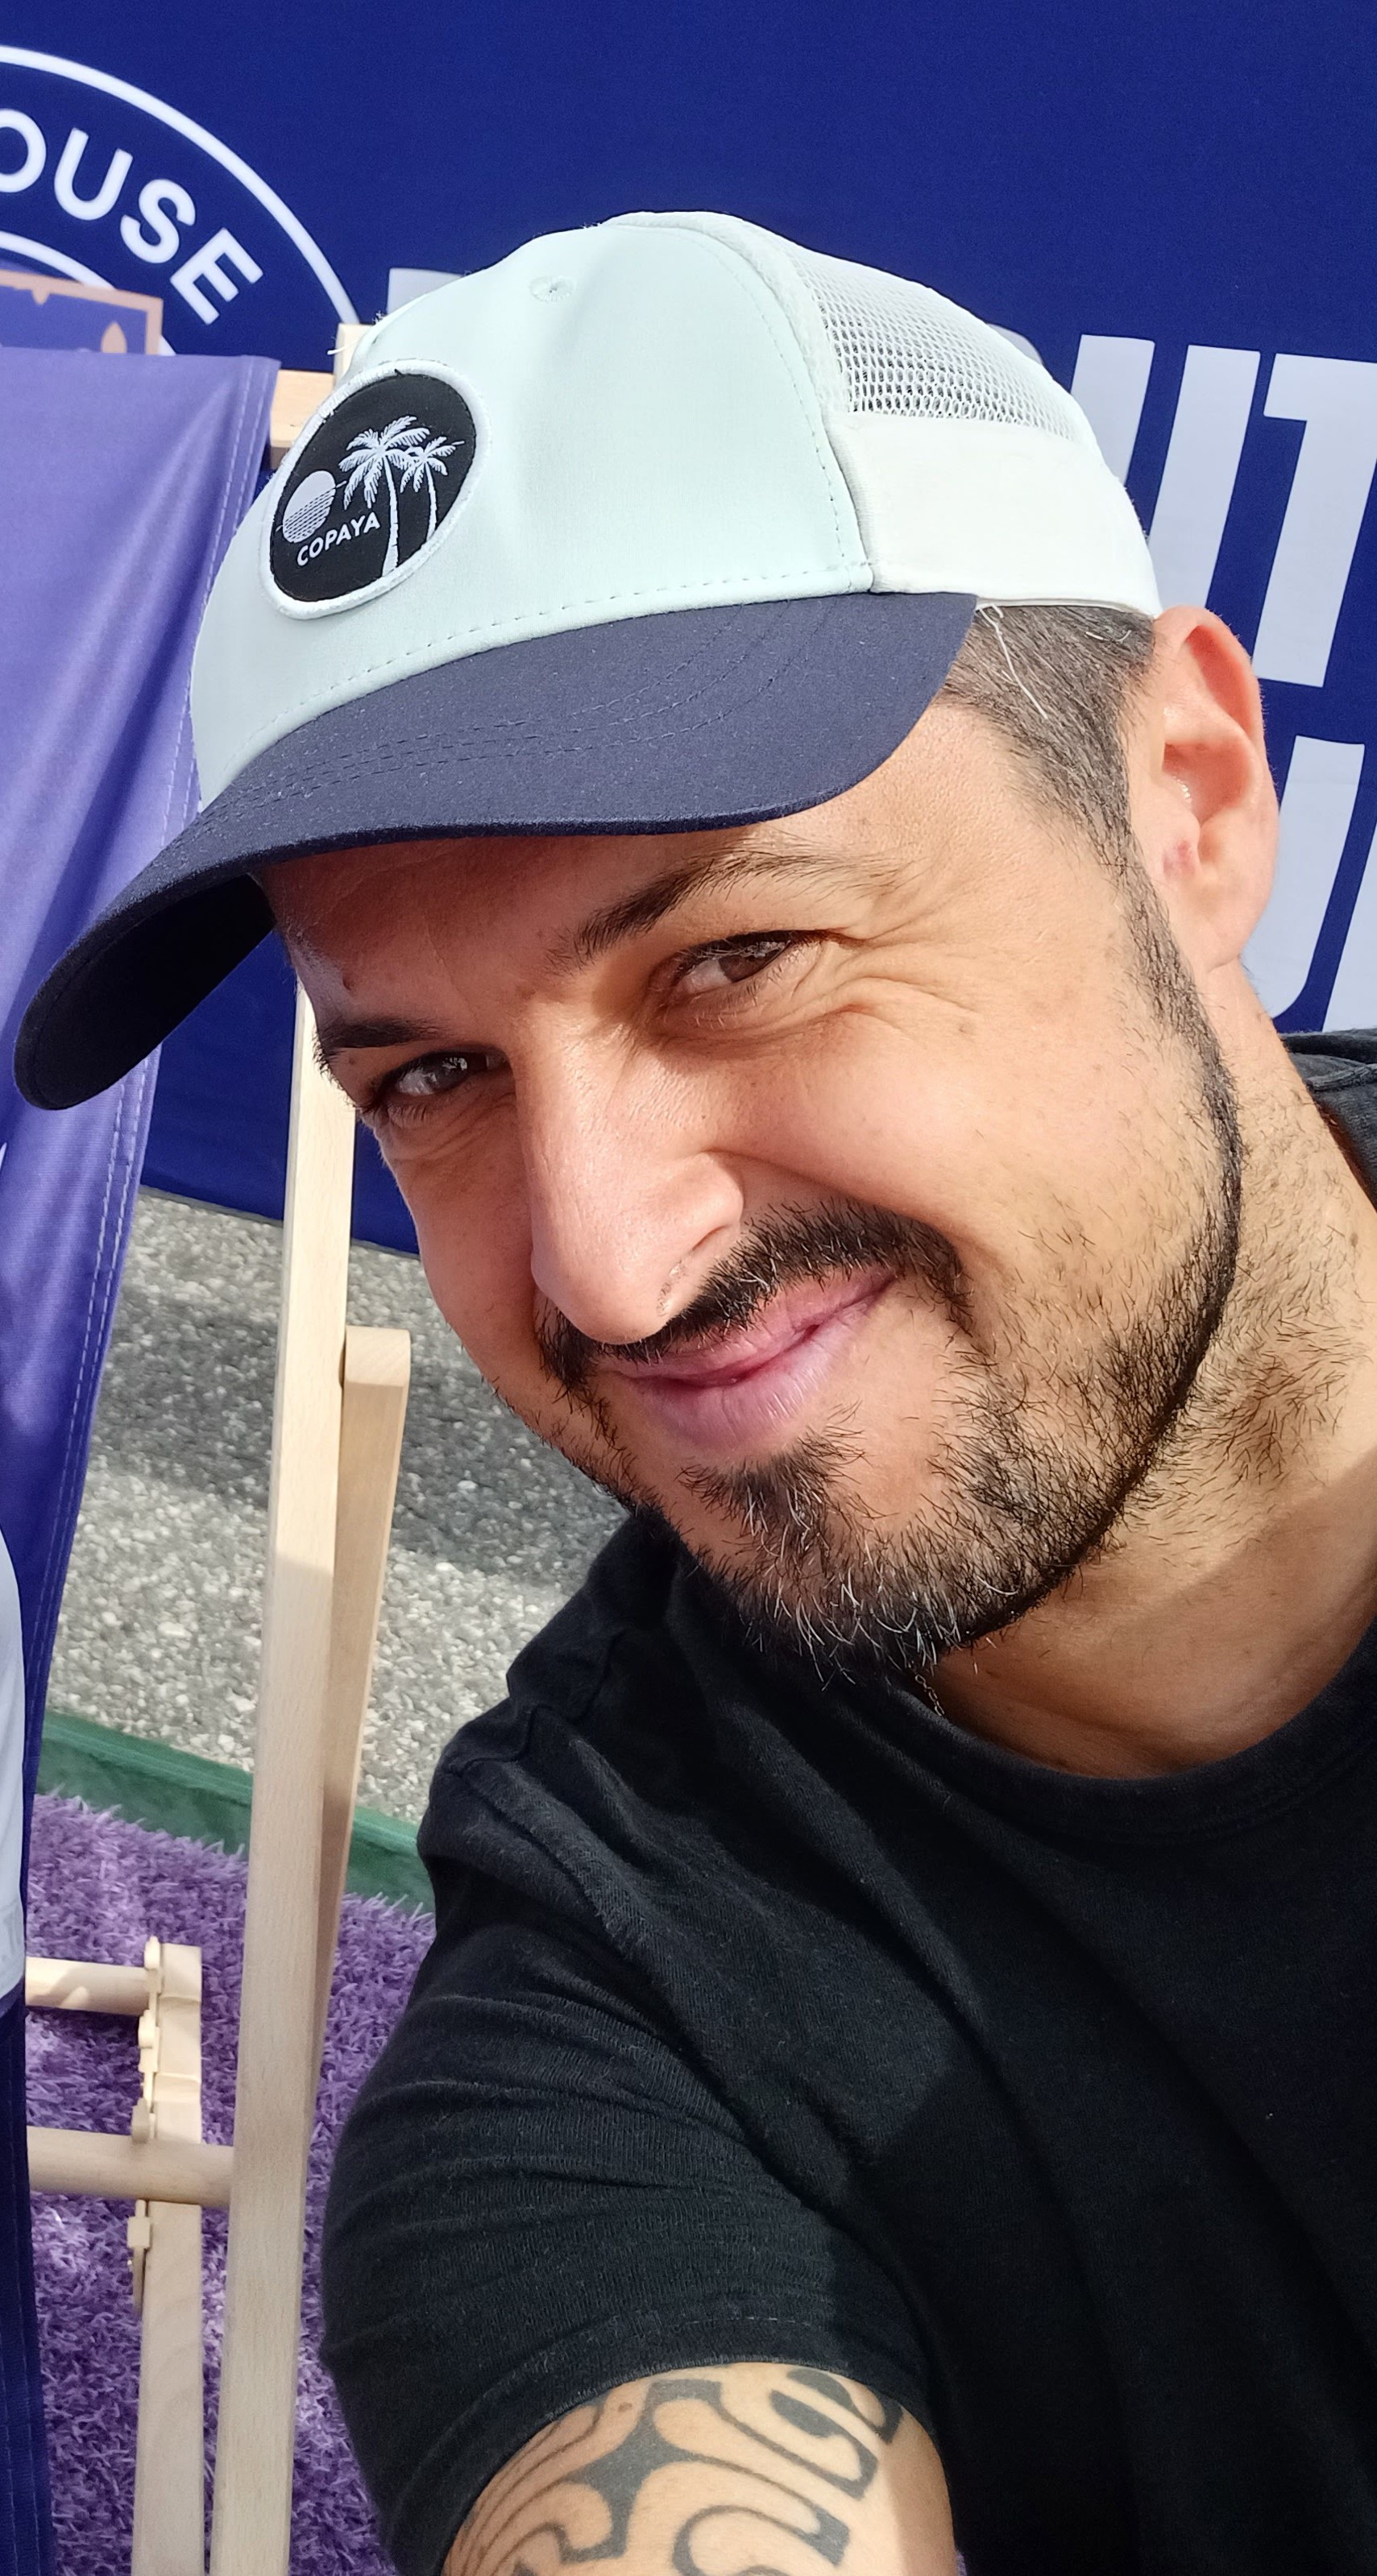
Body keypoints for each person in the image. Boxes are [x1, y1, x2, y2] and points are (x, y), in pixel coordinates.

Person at [16, 214, 1377, 2576]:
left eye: (739, 956)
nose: (611, 1266)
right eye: (432, 1074)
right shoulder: (605, 2043)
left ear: (1186, 800)